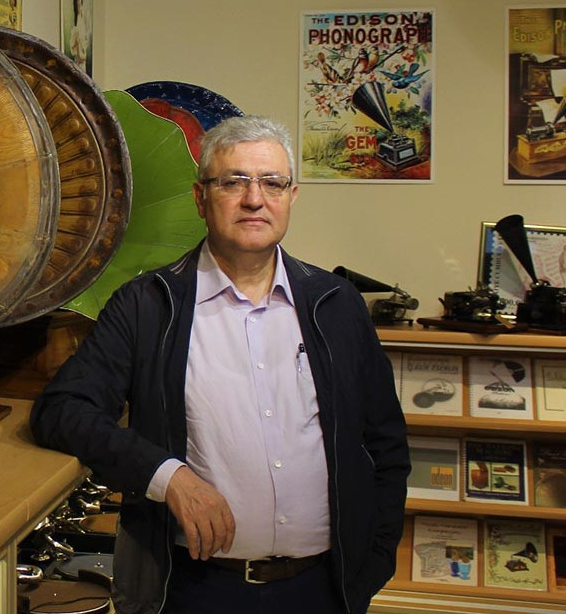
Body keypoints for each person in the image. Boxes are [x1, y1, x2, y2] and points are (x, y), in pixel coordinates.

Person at [30, 115, 409, 614]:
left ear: (291, 196)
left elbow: (385, 442)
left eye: (272, 183)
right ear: (200, 197)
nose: (254, 199)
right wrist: (167, 476)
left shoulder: (337, 304)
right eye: (233, 182)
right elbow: (61, 410)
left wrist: (374, 560)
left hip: (324, 588)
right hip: (194, 588)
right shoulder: (148, 305)